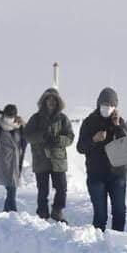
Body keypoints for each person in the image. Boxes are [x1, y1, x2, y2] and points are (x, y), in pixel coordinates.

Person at [76, 88, 127, 232]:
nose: (107, 107)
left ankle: (117, 240)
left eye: (111, 104)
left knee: (119, 212)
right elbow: (80, 147)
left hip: (117, 174)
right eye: (104, 104)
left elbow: (126, 144)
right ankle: (99, 246)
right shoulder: (89, 122)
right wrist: (94, 139)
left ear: (115, 106)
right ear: (99, 104)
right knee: (100, 215)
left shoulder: (119, 122)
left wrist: (117, 126)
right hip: (96, 175)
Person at [24, 88, 75, 223]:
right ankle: (42, 213)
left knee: (62, 188)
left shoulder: (63, 119)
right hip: (41, 158)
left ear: (58, 102)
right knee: (43, 189)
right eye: (48, 99)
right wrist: (42, 136)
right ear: (44, 101)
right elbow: (27, 135)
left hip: (58, 159)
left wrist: (59, 140)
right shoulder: (36, 118)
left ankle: (57, 210)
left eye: (54, 99)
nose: (51, 102)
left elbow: (70, 137)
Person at [0, 105, 27, 212]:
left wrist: (23, 123)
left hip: (15, 162)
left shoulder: (19, 128)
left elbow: (29, 134)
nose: (9, 117)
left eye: (11, 115)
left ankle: (7, 211)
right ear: (3, 114)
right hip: (2, 162)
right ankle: (13, 211)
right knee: (11, 187)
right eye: (7, 115)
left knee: (12, 187)